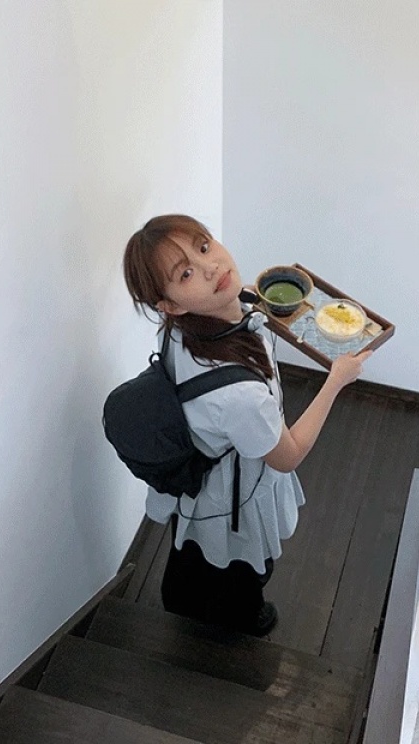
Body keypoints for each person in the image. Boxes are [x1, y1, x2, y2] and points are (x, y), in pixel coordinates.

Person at [123, 214, 371, 636]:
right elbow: (288, 456)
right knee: (240, 564)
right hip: (232, 491)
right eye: (185, 274)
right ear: (171, 304)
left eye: (204, 246)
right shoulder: (241, 397)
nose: (211, 267)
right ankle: (240, 617)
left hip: (197, 477)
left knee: (196, 548)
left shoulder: (178, 331)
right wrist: (335, 382)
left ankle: (180, 600)